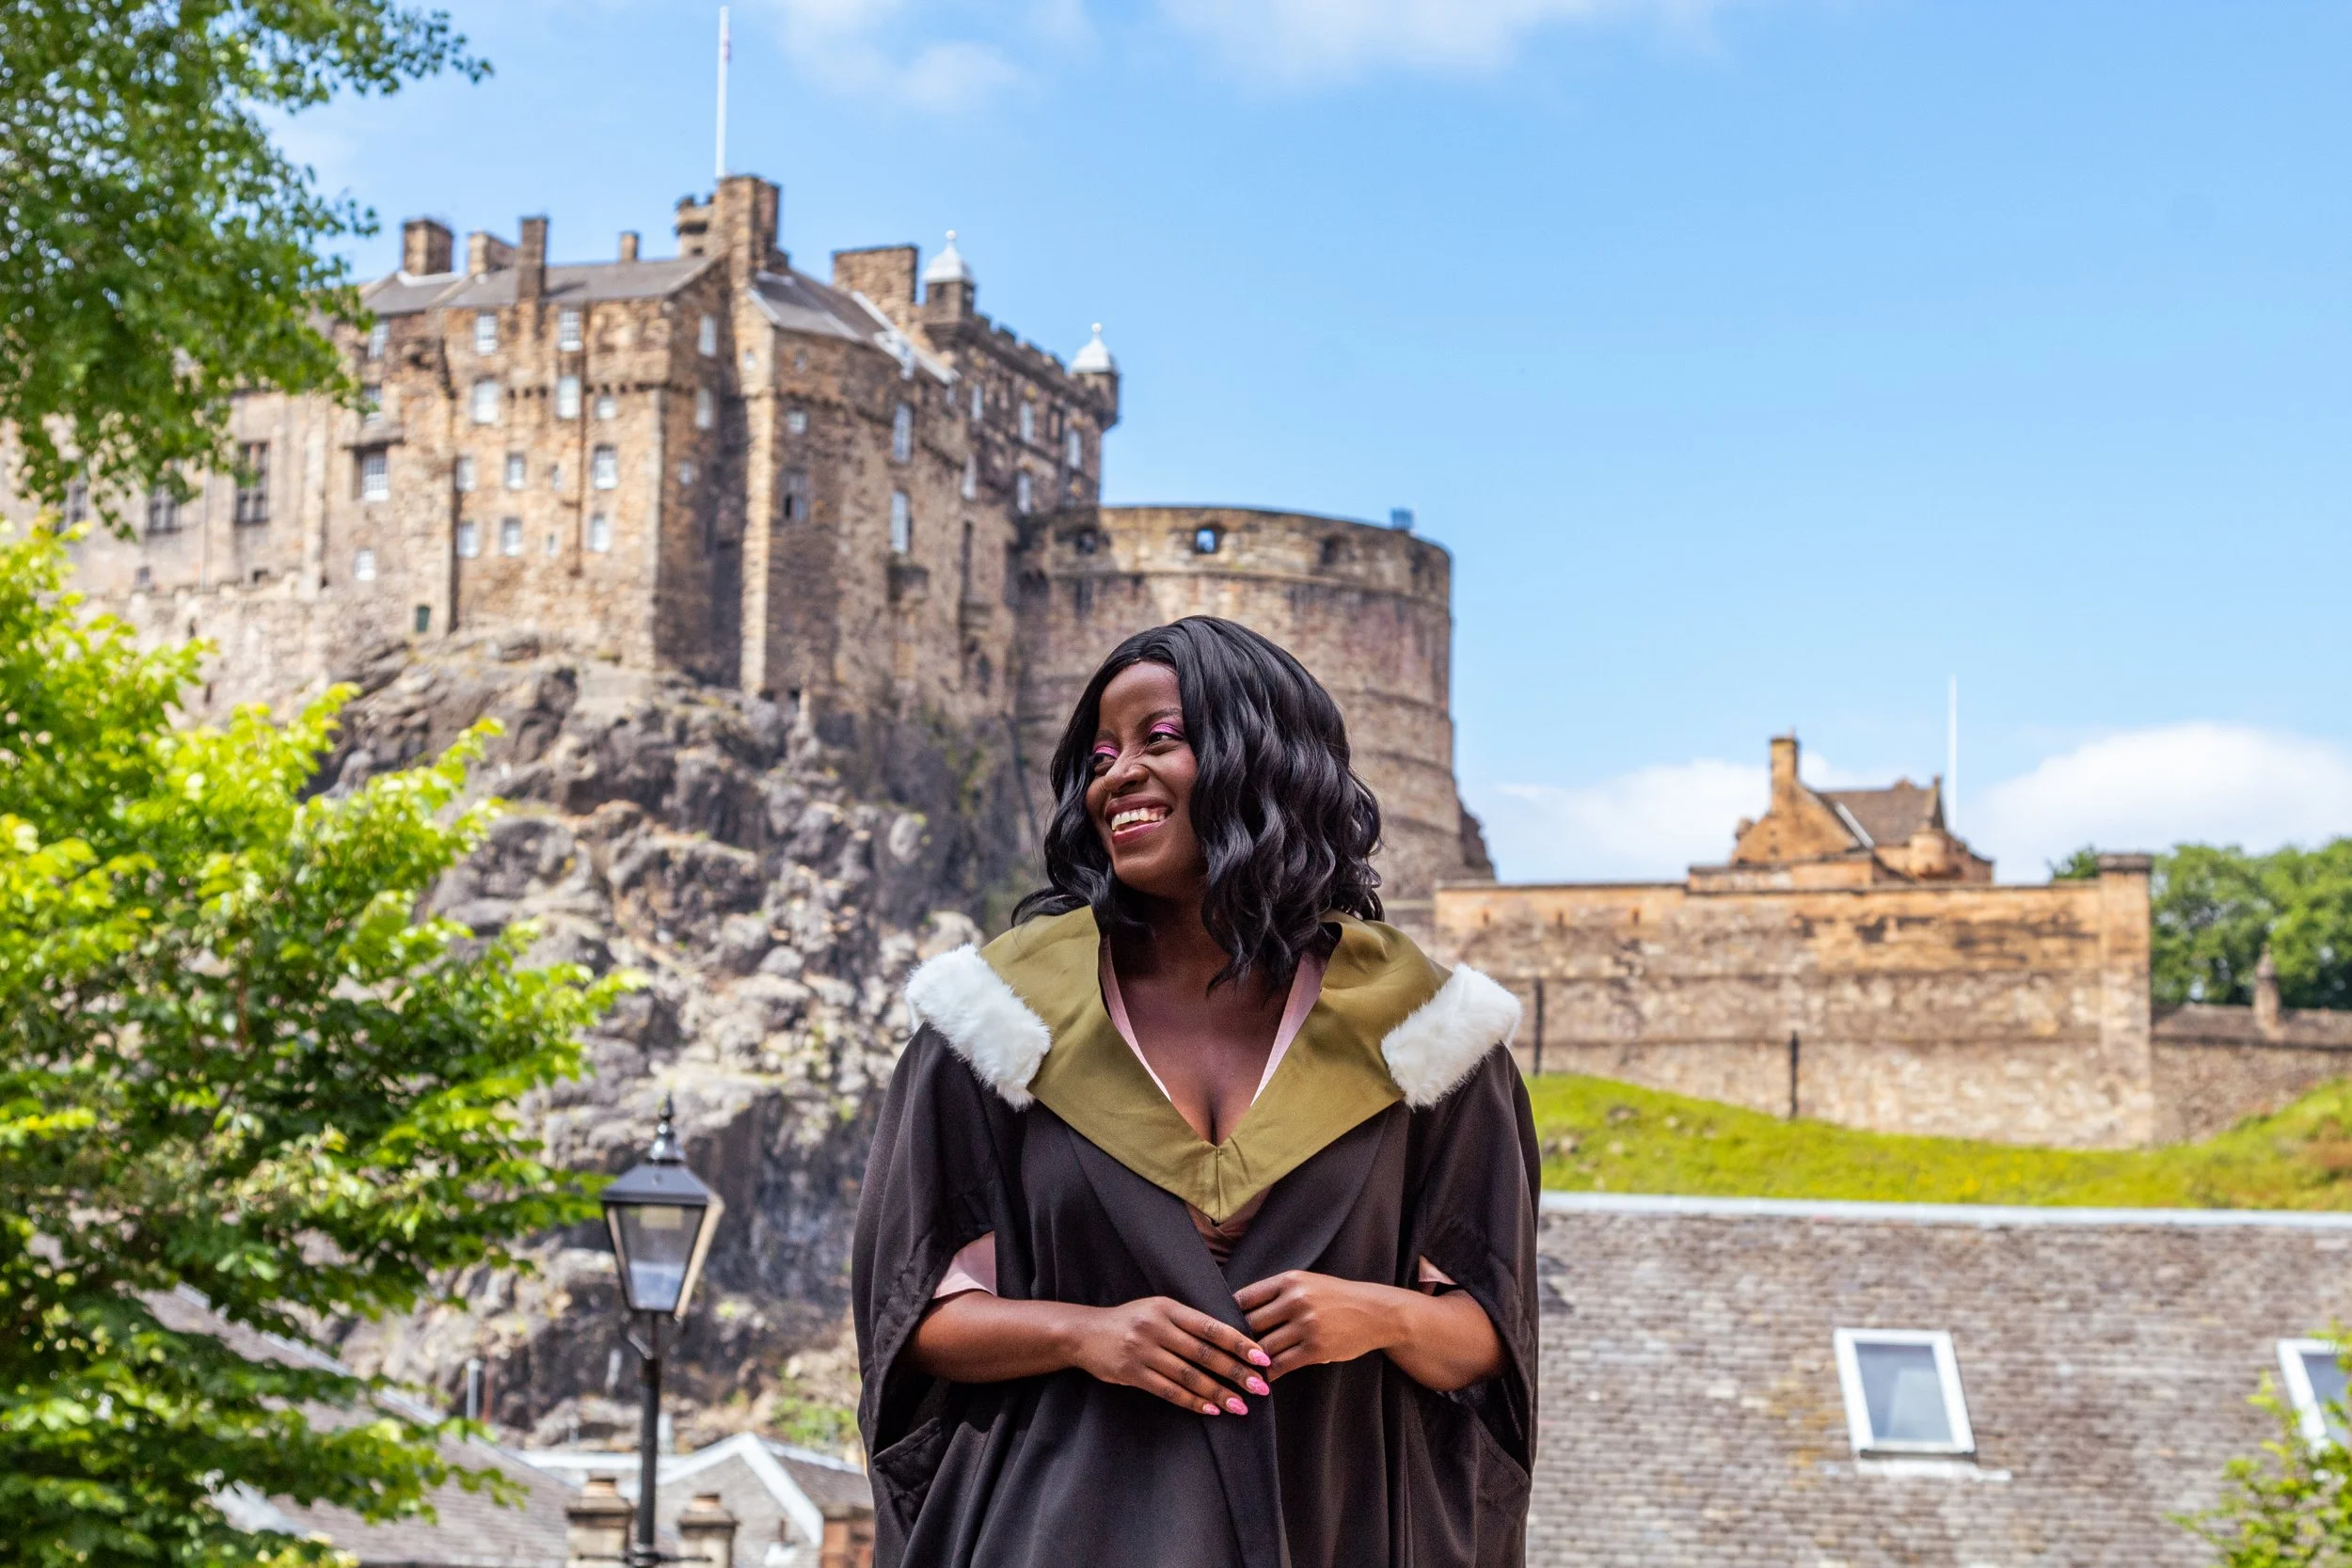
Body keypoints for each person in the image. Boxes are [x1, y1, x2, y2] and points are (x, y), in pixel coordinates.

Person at [851, 616, 1538, 1568]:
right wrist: (1087, 1333)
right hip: (1058, 1523)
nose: (1115, 775)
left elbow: (1486, 1333)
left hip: (1330, 1518)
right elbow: (914, 1316)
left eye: (1157, 740)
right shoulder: (993, 1023)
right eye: (1098, 754)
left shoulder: (1429, 1037)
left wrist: (1377, 1315)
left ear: (1265, 759)